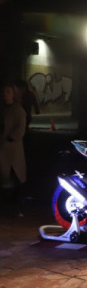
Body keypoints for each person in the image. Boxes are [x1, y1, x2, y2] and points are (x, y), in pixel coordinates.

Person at [1, 83, 27, 214]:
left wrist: (11, 137)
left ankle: (16, 203)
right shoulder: (3, 109)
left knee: (15, 172)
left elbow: (20, 129)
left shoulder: (18, 110)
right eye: (4, 91)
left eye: (8, 91)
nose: (5, 94)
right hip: (3, 146)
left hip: (12, 147)